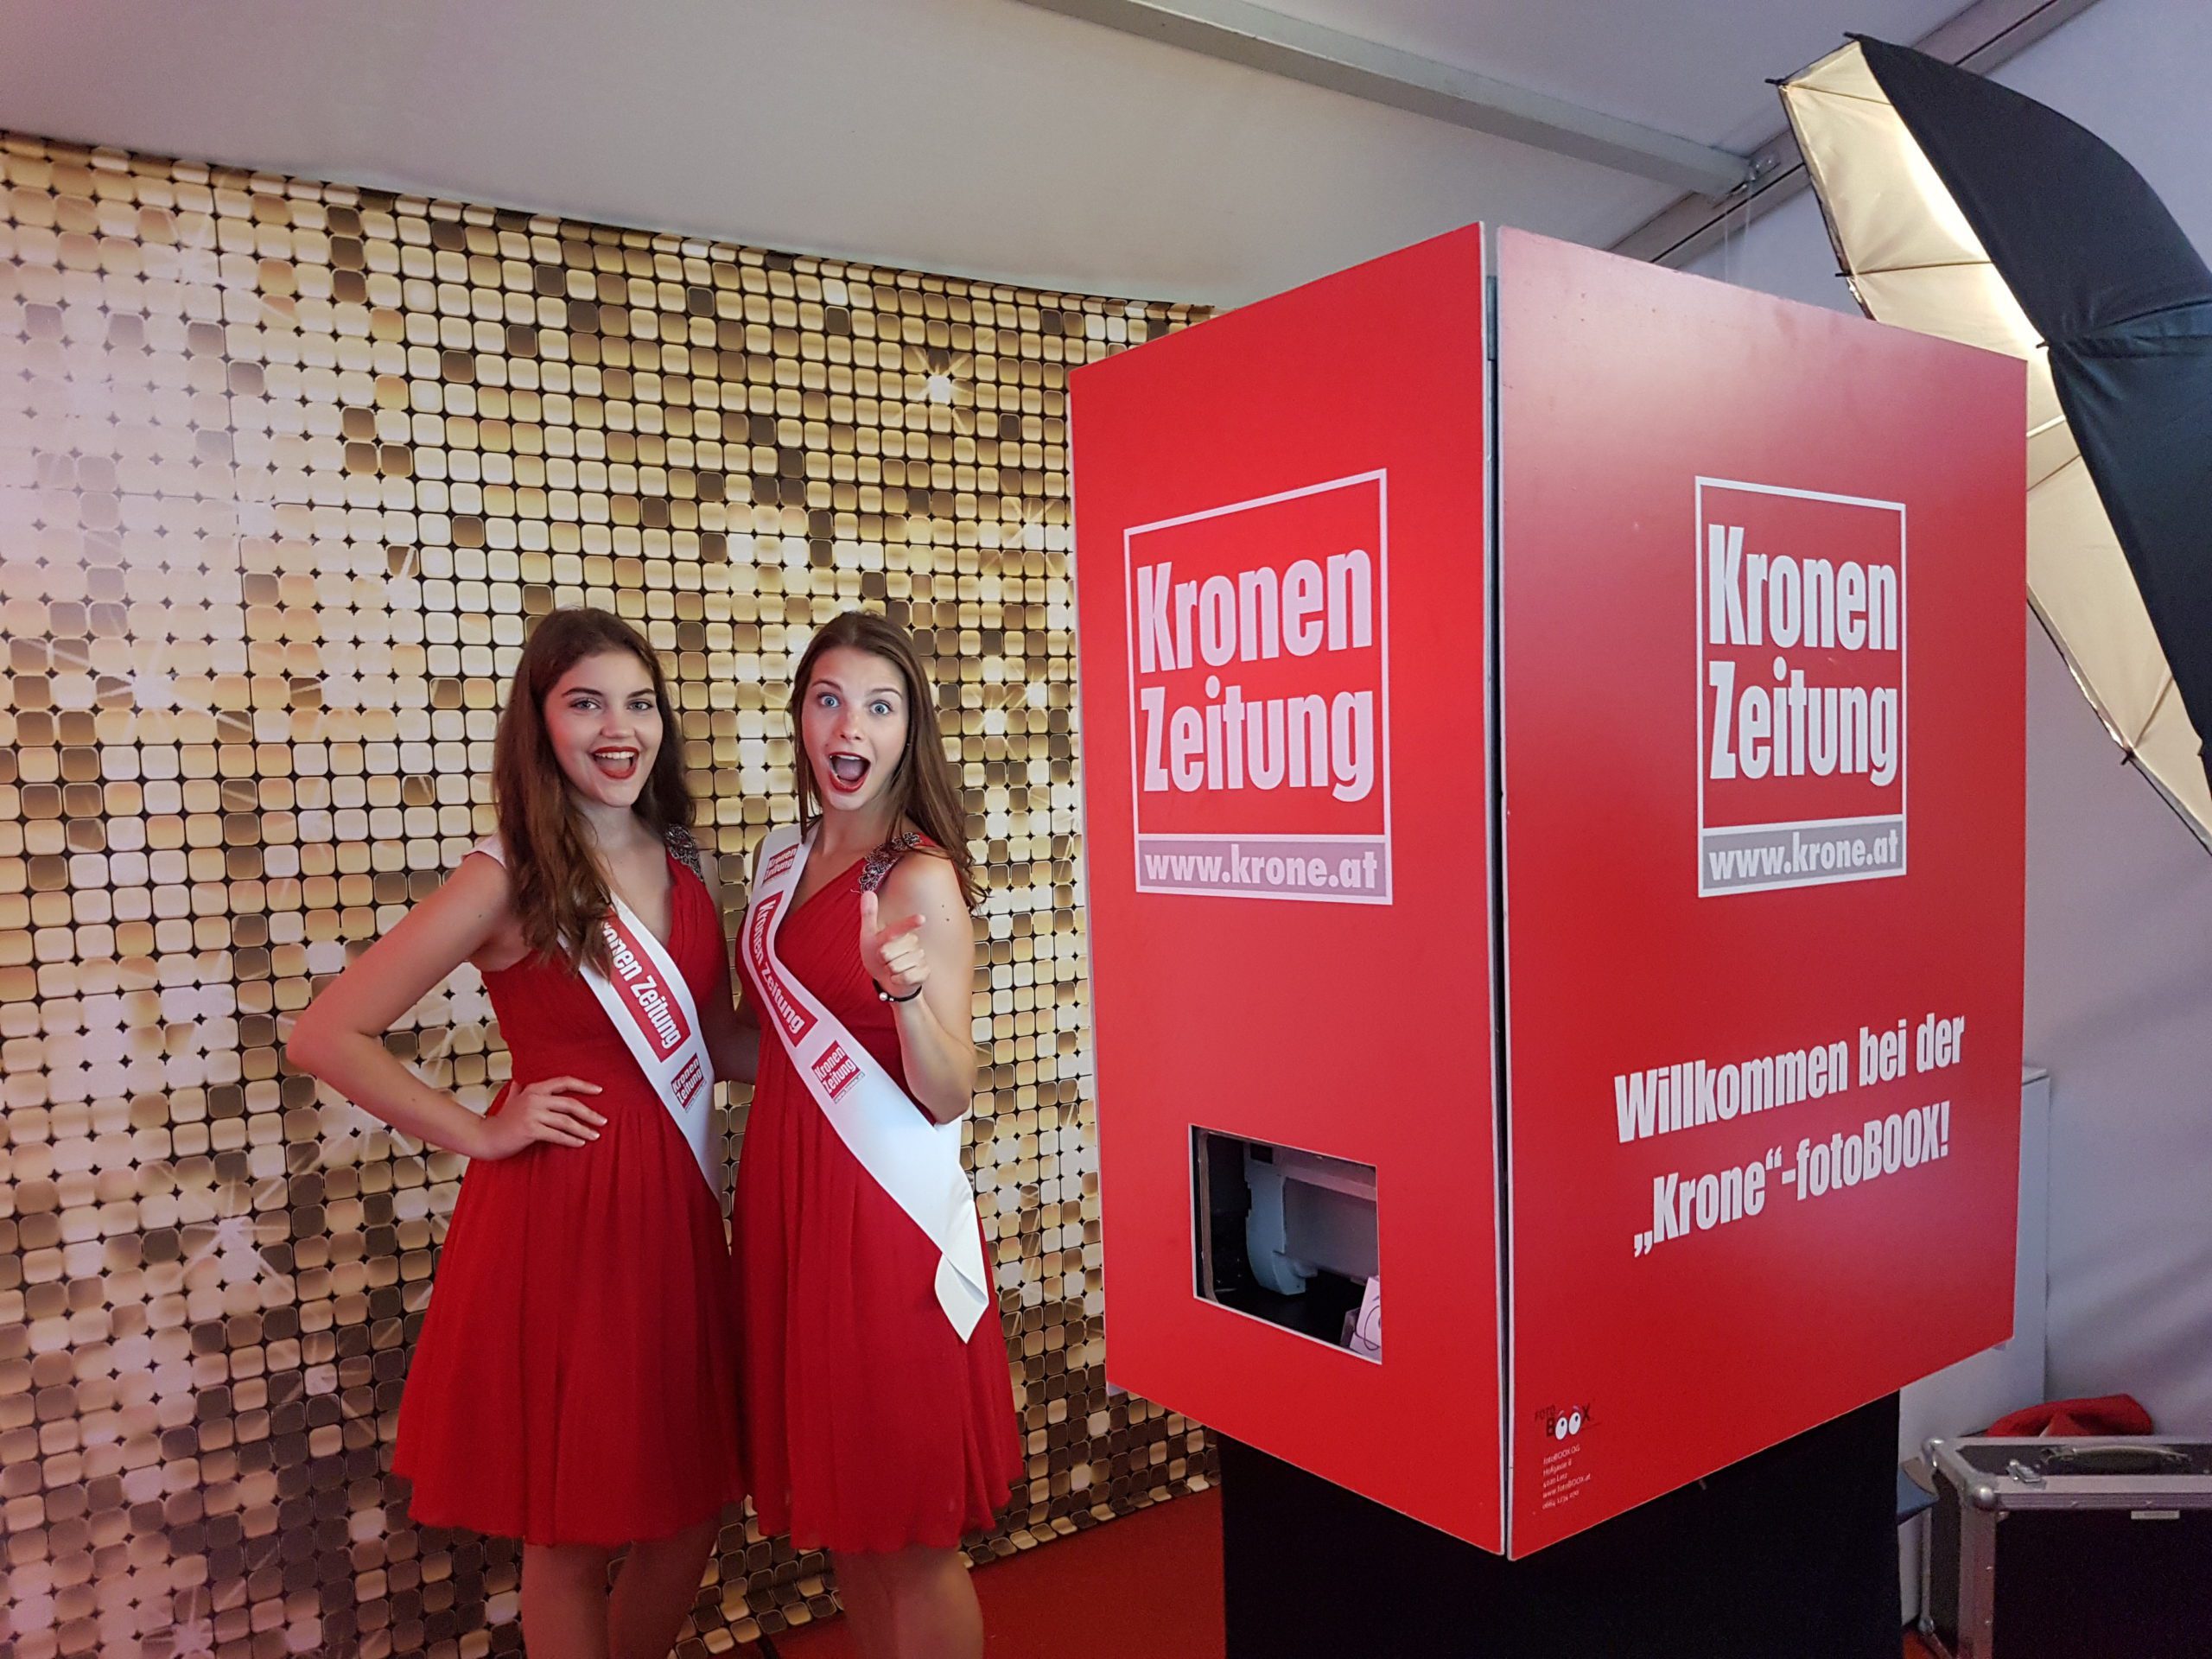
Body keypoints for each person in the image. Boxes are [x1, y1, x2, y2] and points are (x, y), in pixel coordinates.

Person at [286, 608, 749, 1659]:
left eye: (638, 704)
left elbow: (718, 1040)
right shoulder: (507, 876)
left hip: (674, 1213)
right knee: (572, 1529)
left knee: (691, 1508)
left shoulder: (688, 865)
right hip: (567, 1217)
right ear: (539, 724)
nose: (619, 729)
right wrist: (481, 1132)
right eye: (585, 704)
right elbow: (327, 1033)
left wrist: (871, 1046)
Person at [730, 610, 1020, 1659]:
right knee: (850, 1517)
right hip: (789, 1203)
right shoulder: (780, 859)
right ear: (803, 718)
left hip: (880, 1216)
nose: (850, 725)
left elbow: (948, 1091)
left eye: (879, 706)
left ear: (908, 732)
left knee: (909, 1534)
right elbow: (761, 1045)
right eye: (830, 699)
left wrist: (900, 996)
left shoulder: (918, 879)